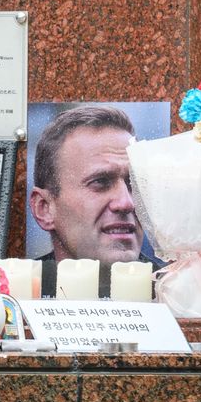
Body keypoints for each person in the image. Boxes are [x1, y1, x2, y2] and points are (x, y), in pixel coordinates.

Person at [27, 105, 152, 297]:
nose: (126, 203)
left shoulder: (179, 296)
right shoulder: (15, 296)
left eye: (134, 184)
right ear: (44, 208)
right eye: (100, 182)